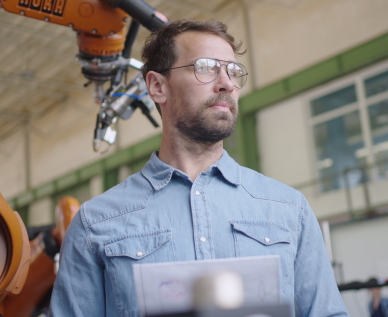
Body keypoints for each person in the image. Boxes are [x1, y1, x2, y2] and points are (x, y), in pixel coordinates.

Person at [49, 19, 348, 317]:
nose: (227, 83)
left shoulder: (288, 210)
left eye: (233, 71)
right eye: (206, 67)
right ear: (157, 86)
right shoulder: (97, 223)